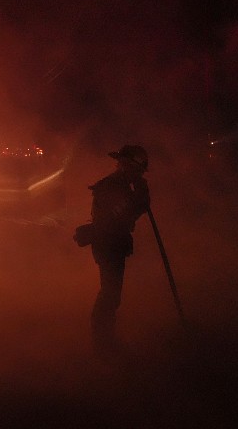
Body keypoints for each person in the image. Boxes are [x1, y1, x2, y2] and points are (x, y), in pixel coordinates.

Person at [87, 144, 150, 355]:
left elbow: (133, 210)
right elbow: (126, 212)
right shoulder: (112, 187)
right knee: (110, 293)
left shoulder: (120, 185)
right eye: (137, 170)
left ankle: (105, 339)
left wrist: (139, 193)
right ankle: (102, 342)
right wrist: (140, 194)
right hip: (109, 244)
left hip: (113, 243)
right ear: (126, 166)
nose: (139, 174)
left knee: (111, 293)